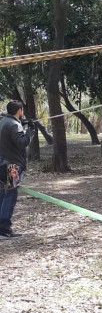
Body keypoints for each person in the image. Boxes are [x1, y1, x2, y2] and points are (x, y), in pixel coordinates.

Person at [0, 100, 35, 238]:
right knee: (10, 194)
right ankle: (4, 227)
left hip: (2, 164)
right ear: (19, 111)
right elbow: (22, 142)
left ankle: (1, 225)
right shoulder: (14, 124)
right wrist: (30, 131)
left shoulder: (3, 121)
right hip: (12, 166)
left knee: (3, 193)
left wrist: (23, 124)